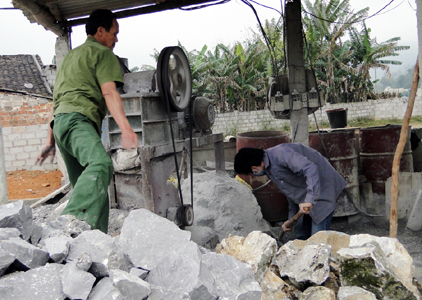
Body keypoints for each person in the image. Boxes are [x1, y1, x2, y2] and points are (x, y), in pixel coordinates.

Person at [35, 9, 138, 233]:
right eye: (114, 33)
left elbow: (58, 100)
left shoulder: (70, 57)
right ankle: (65, 226)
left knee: (94, 187)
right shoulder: (102, 54)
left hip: (62, 126)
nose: (116, 38)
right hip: (77, 121)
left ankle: (92, 242)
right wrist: (126, 129)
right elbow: (109, 92)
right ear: (100, 32)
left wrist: (50, 141)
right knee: (101, 164)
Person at [234, 143, 347, 240]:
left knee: (318, 239)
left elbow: (310, 168)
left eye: (250, 174)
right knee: (300, 233)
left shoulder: (281, 154)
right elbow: (291, 191)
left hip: (324, 187)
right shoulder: (269, 170)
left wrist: (309, 199)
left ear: (254, 168)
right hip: (307, 192)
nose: (254, 175)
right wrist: (291, 219)